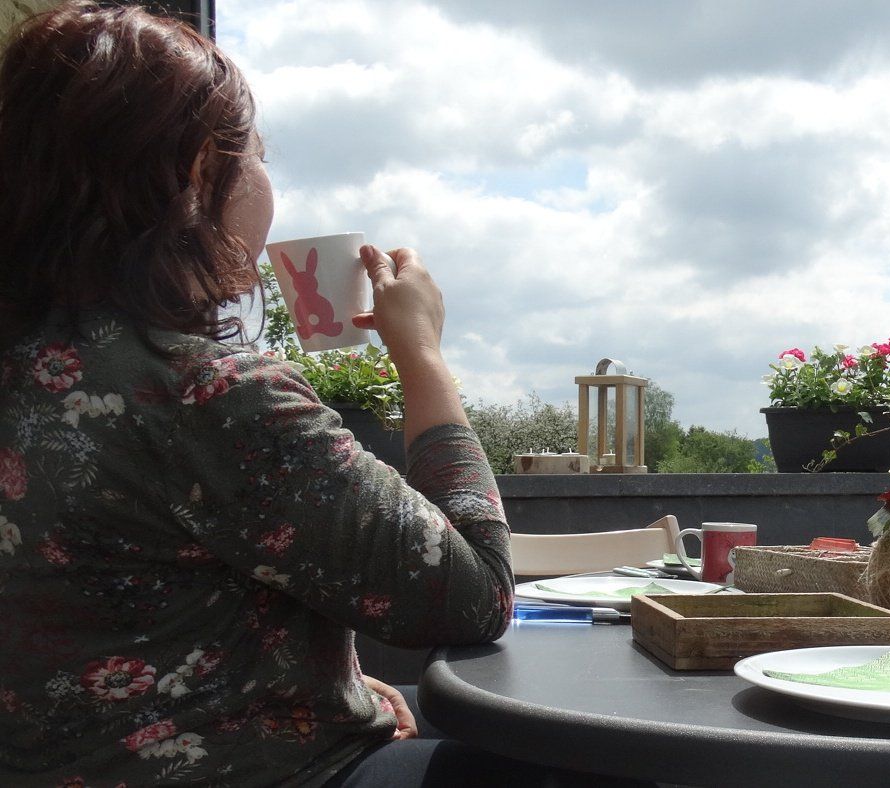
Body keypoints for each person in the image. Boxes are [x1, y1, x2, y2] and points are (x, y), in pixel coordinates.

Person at [0, 5, 629, 785]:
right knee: (599, 760)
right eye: (256, 155)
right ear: (202, 172)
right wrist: (423, 355)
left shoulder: (34, 364)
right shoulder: (205, 392)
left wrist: (312, 679)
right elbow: (471, 599)